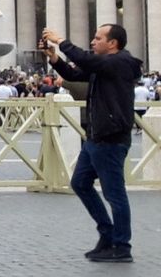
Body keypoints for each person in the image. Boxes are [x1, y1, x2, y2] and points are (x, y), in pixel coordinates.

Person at [44, 24, 143, 263]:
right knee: (80, 183)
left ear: (113, 43)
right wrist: (55, 58)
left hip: (110, 137)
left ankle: (122, 245)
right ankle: (107, 234)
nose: (92, 42)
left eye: (98, 38)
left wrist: (61, 41)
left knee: (115, 194)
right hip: (96, 136)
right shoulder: (104, 65)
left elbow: (86, 60)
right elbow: (74, 74)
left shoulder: (120, 62)